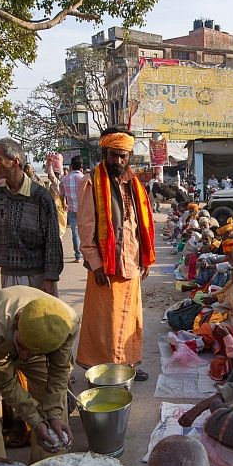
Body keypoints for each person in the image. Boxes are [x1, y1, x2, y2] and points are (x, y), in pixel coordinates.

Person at [0, 288, 78, 462]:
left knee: (55, 403)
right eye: (22, 348)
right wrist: (35, 421)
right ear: (17, 324)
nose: (25, 356)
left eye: (32, 352)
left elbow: (58, 373)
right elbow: (5, 383)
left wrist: (54, 416)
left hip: (34, 342)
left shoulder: (68, 324)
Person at [77, 128, 156, 382]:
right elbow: (86, 228)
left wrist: (145, 258)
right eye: (114, 155)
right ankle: (103, 371)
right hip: (106, 268)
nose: (118, 161)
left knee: (131, 320)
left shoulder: (134, 183)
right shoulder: (91, 183)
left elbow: (140, 226)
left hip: (131, 265)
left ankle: (128, 365)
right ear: (104, 153)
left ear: (129, 156)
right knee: (106, 325)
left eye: (123, 156)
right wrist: (97, 265)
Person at [0, 137, 62, 297]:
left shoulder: (40, 196)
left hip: (39, 277)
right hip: (9, 276)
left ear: (15, 161)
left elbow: (52, 241)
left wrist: (50, 278)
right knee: (13, 321)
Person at [60, 153, 85, 262]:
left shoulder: (64, 179)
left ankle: (77, 256)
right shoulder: (84, 178)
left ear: (71, 166)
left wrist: (64, 203)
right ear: (81, 167)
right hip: (84, 209)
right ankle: (88, 255)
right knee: (86, 232)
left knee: (75, 233)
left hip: (71, 209)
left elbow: (62, 195)